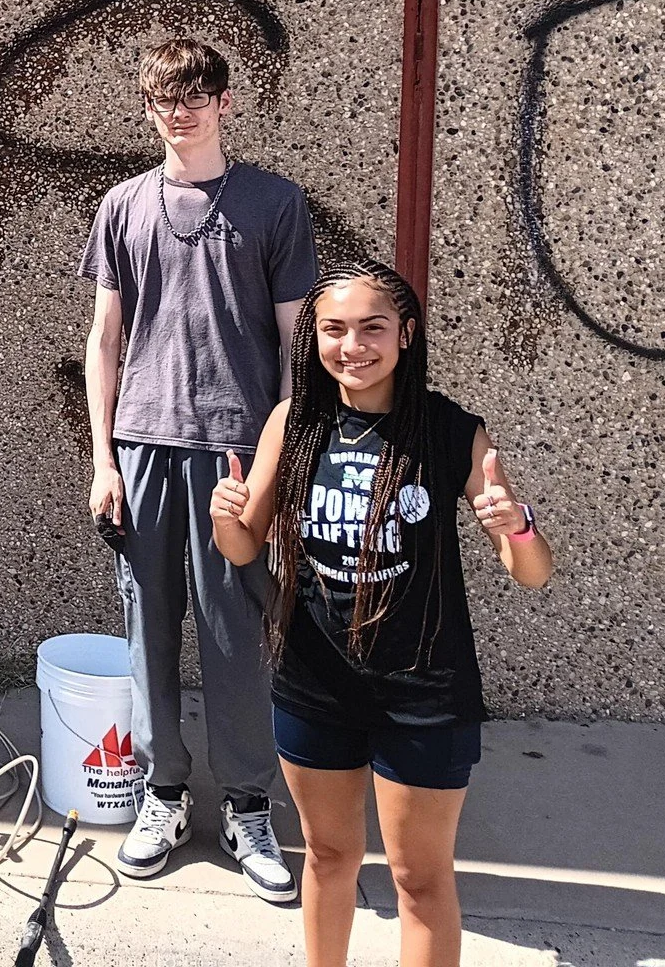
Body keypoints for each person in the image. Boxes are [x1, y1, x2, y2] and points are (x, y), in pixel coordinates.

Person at [210, 262, 552, 967]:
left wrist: (514, 524)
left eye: (373, 327)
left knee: (418, 879)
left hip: (424, 690)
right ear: (314, 338)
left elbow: (532, 573)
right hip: (315, 682)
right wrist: (225, 517)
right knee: (330, 857)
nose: (352, 345)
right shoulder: (294, 422)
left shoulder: (453, 432)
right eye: (334, 329)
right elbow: (245, 544)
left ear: (406, 334)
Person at [81, 37, 316, 902]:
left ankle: (248, 804)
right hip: (142, 446)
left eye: (196, 94)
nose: (179, 110)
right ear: (148, 108)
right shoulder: (123, 206)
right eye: (163, 98)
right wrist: (103, 458)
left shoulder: (274, 204)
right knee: (150, 629)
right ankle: (164, 793)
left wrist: (279, 461)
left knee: (233, 631)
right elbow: (104, 340)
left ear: (226, 102)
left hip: (236, 450)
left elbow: (298, 345)